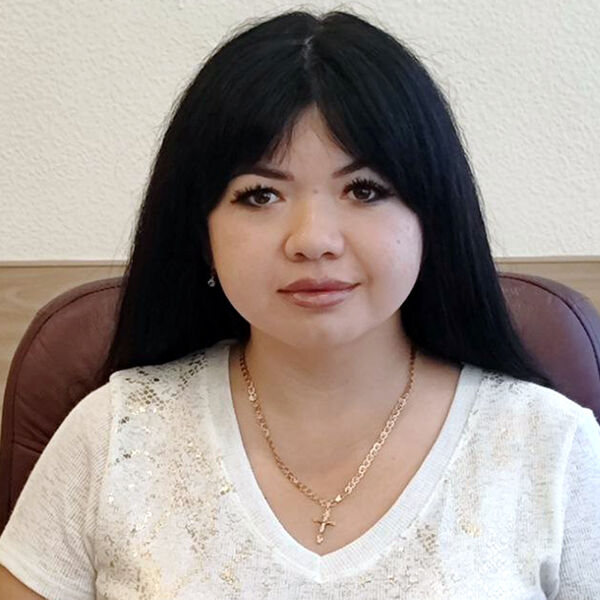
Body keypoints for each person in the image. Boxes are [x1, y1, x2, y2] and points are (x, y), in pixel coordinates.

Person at [1, 8, 599, 599]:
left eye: (365, 189)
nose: (313, 239)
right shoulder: (114, 435)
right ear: (200, 232)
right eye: (260, 195)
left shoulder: (553, 448)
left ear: (432, 217)